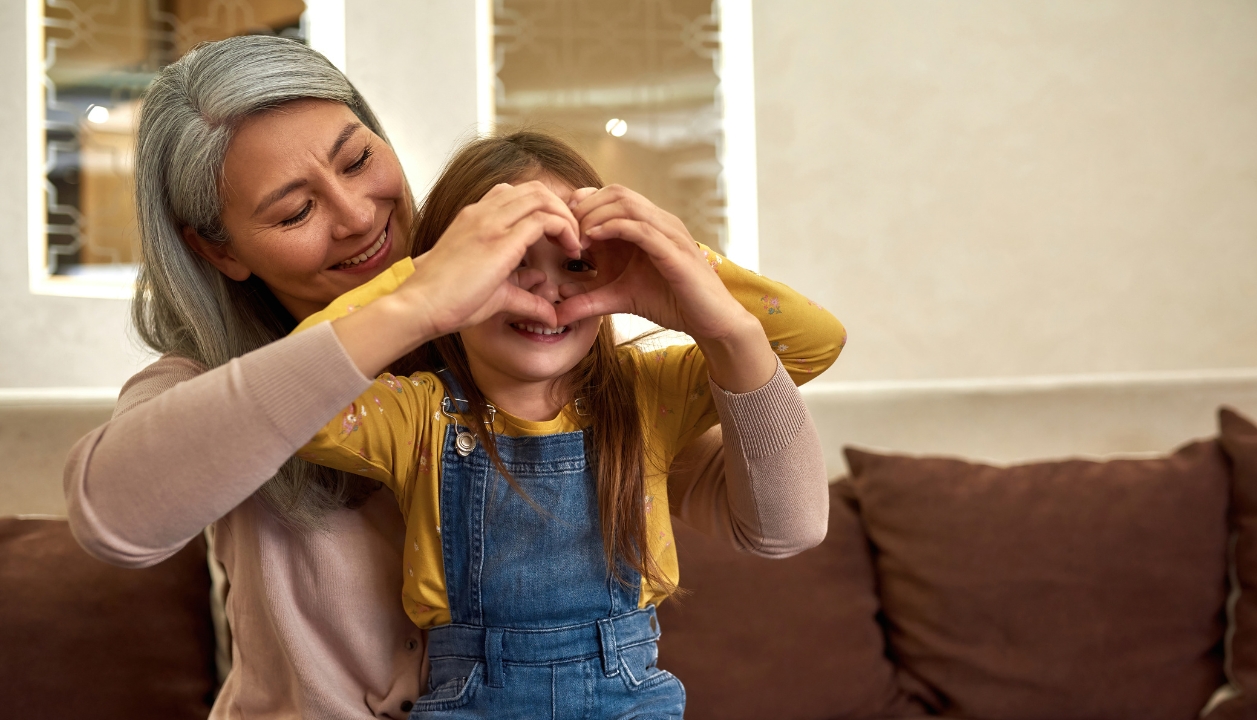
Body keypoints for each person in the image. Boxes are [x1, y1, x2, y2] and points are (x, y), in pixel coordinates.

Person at [62, 35, 834, 719]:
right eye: (296, 212)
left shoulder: (562, 372)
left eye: (359, 159)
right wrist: (414, 303)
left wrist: (704, 293)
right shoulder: (213, 383)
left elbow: (784, 527)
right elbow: (114, 517)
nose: (359, 216)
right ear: (221, 251)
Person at [289, 131, 845, 717]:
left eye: (577, 263)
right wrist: (421, 282)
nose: (547, 289)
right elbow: (291, 401)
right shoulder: (415, 415)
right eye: (508, 263)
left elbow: (815, 343)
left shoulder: (647, 392)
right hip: (472, 701)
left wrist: (688, 266)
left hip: (631, 697)